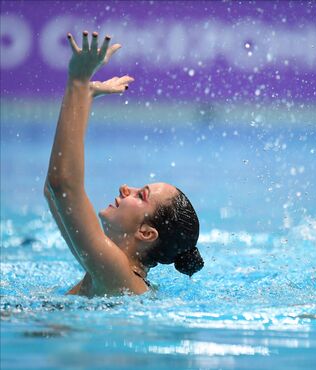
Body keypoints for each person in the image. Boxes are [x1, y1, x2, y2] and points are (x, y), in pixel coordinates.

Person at [44, 31, 203, 296]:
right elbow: (53, 192)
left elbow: (63, 187)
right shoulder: (107, 267)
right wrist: (83, 97)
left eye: (141, 195)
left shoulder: (119, 275)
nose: (125, 187)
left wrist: (78, 82)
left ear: (146, 233)